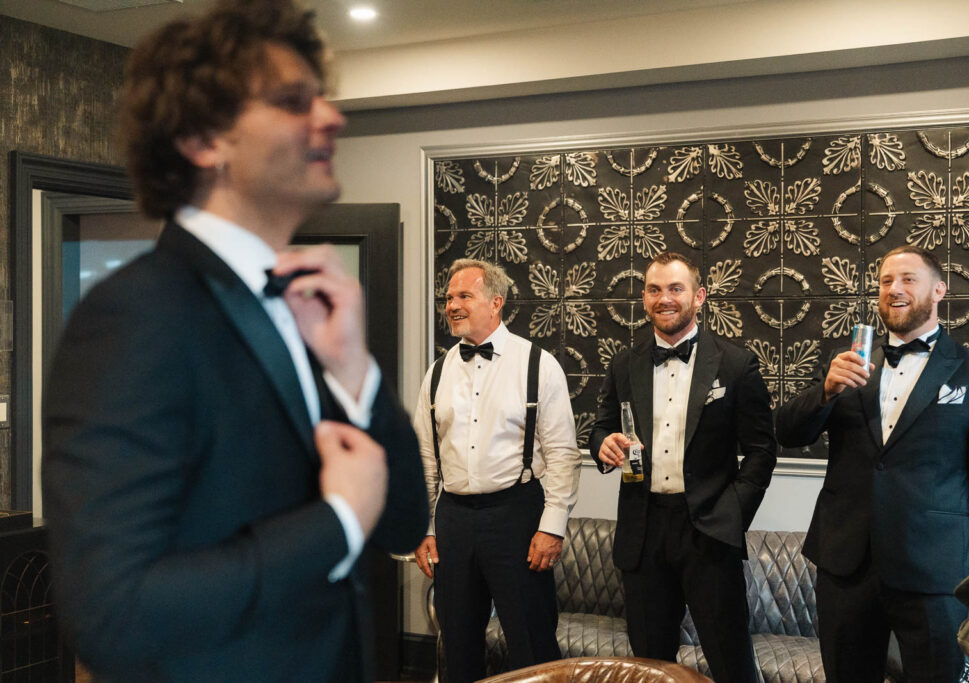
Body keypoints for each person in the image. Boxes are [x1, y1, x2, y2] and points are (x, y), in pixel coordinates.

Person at [41, 1, 427, 680]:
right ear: (202, 140)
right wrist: (334, 524)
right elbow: (112, 616)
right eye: (292, 100)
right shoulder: (134, 316)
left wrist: (355, 371)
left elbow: (399, 522)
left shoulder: (310, 310)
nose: (331, 117)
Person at [776, 244, 969, 682]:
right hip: (846, 564)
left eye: (907, 279)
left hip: (934, 569)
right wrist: (824, 392)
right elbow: (787, 433)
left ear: (939, 290)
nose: (894, 289)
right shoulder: (847, 361)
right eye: (885, 281)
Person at [589, 252, 776, 683]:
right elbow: (599, 429)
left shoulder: (735, 363)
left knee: (730, 660)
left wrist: (732, 514)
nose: (665, 298)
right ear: (644, 298)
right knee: (650, 666)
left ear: (699, 297)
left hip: (709, 531)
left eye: (676, 288)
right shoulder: (624, 362)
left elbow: (762, 451)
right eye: (654, 289)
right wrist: (604, 445)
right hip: (643, 529)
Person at [411, 258, 581, 683]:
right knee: (458, 642)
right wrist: (424, 528)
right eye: (448, 297)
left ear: (496, 302)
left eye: (464, 296)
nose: (451, 305)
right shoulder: (437, 373)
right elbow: (424, 460)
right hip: (453, 518)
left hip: (516, 515)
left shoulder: (538, 365)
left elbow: (563, 454)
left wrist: (553, 526)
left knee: (533, 642)